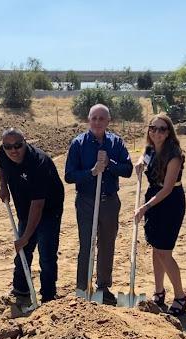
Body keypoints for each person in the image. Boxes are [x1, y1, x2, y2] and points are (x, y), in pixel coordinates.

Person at [65, 104, 133, 305]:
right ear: (88, 120)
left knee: (107, 245)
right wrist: (92, 172)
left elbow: (127, 169)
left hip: (110, 201)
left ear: (108, 121)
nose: (97, 122)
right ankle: (83, 287)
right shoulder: (78, 144)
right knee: (86, 244)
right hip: (86, 201)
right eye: (94, 118)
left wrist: (109, 165)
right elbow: (69, 175)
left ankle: (103, 287)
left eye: (101, 118)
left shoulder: (116, 143)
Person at [0, 128, 64, 304]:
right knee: (23, 252)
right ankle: (21, 290)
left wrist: (26, 236)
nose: (13, 150)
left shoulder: (38, 162)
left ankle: (49, 296)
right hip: (24, 207)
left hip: (49, 209)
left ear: (25, 143)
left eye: (18, 145)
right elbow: (1, 166)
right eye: (8, 146)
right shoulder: (3, 153)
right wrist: (3, 186)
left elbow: (38, 204)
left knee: (46, 254)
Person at [134, 114, 186, 316]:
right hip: (154, 199)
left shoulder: (175, 155)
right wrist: (139, 163)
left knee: (164, 251)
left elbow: (166, 189)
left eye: (162, 129)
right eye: (153, 128)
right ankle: (159, 290)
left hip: (170, 202)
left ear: (169, 132)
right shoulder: (149, 148)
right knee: (156, 249)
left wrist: (144, 208)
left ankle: (180, 296)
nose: (157, 132)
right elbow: (144, 156)